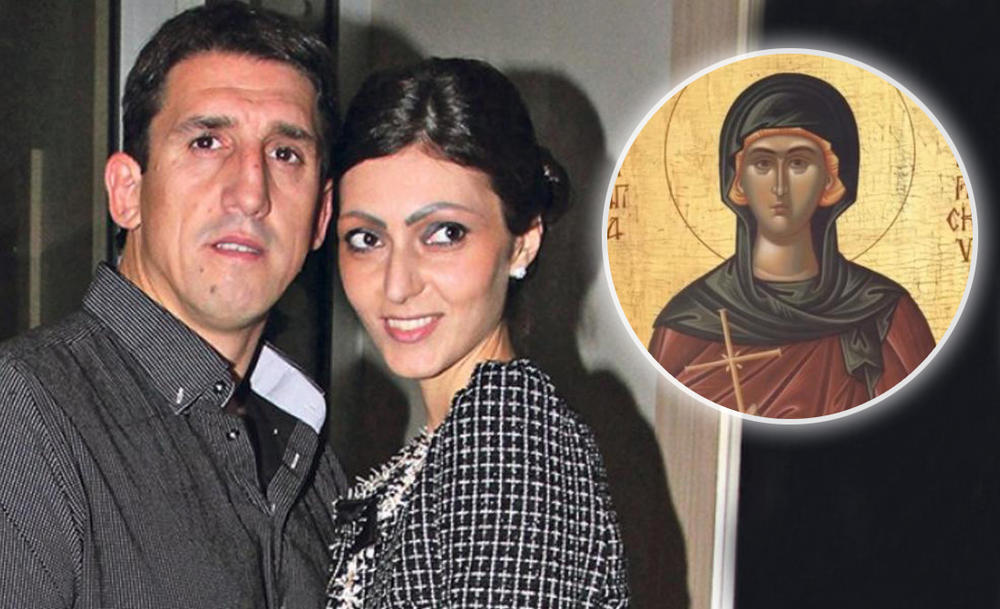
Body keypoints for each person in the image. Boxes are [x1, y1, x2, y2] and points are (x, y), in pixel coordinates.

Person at [0, 3, 346, 607]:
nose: (251, 192)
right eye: (207, 142)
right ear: (127, 193)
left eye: (285, 153)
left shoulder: (313, 461)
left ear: (320, 215)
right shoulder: (26, 416)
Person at [325, 58, 629, 607]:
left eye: (444, 233)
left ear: (523, 242)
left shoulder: (506, 441)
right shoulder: (451, 446)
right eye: (367, 238)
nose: (397, 285)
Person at [649, 73, 935, 418]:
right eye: (763, 164)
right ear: (737, 182)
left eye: (798, 163)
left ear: (831, 180)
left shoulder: (885, 315)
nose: (780, 186)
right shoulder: (689, 322)